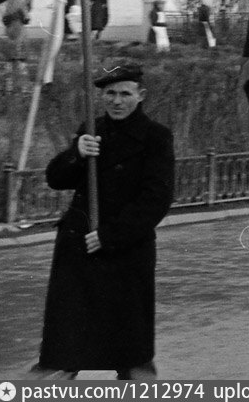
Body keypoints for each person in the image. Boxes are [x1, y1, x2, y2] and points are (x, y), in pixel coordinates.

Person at [30, 61, 174, 380]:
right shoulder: (91, 130)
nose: (117, 101)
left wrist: (110, 236)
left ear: (141, 95)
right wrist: (77, 154)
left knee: (130, 350)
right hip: (79, 251)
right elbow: (57, 179)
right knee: (65, 345)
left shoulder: (155, 137)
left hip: (125, 253)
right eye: (110, 94)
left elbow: (156, 199)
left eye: (125, 94)